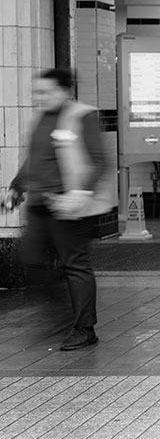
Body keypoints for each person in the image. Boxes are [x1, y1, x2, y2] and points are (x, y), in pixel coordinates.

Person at [3, 69, 110, 351]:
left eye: (47, 92)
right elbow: (35, 160)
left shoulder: (81, 116)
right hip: (40, 205)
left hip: (70, 207)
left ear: (65, 91)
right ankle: (64, 312)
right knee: (30, 260)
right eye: (37, 92)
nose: (41, 97)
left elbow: (100, 161)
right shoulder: (41, 118)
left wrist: (78, 194)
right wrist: (16, 187)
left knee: (76, 265)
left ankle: (85, 328)